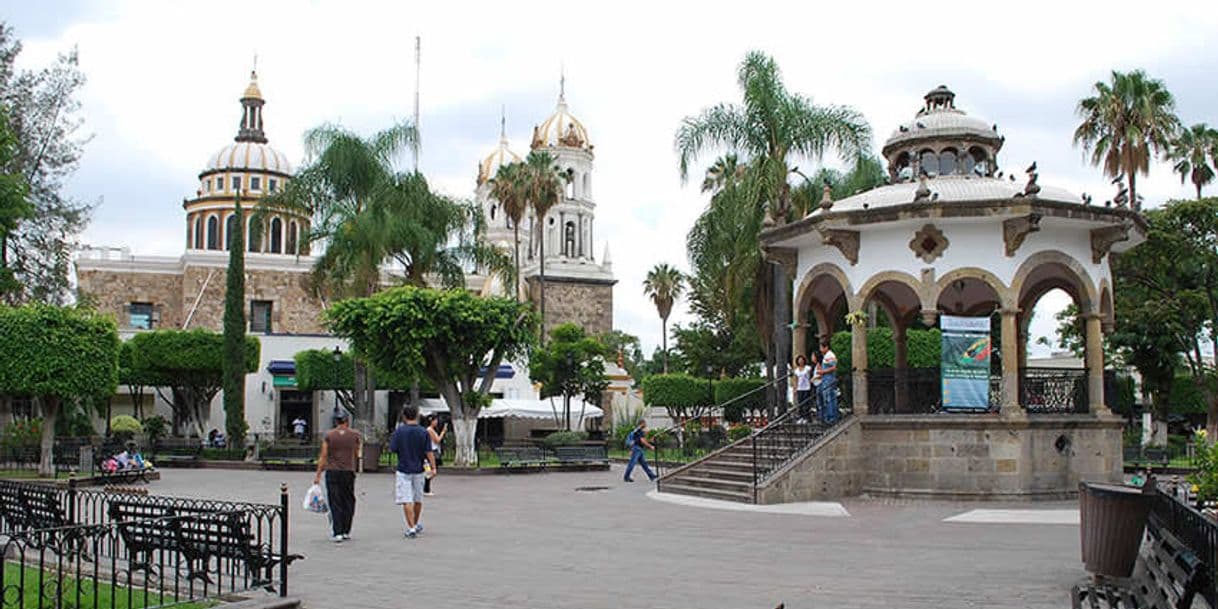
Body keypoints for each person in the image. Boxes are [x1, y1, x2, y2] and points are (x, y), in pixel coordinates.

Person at [388, 404, 436, 538]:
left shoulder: (399, 432)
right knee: (418, 498)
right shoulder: (423, 432)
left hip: (403, 468)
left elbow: (393, 448)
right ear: (417, 415)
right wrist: (433, 467)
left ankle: (411, 527)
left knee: (406, 498)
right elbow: (429, 451)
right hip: (419, 469)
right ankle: (415, 523)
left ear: (404, 416)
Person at [313, 411, 361, 542]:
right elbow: (357, 453)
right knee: (348, 500)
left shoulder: (329, 435)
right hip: (348, 471)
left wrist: (318, 475)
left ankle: (337, 531)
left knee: (335, 501)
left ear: (336, 421)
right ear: (347, 421)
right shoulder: (355, 435)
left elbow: (323, 455)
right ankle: (346, 529)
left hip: (332, 470)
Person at [423, 416, 448, 497]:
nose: (436, 422)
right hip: (432, 452)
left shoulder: (431, 429)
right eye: (435, 420)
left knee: (430, 471)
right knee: (431, 471)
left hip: (434, 451)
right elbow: (437, 440)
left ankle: (426, 487)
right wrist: (443, 432)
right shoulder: (430, 430)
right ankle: (425, 488)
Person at [817, 341, 839, 424]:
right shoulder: (826, 356)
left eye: (821, 347)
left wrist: (823, 371)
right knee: (828, 397)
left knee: (829, 398)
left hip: (829, 378)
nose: (820, 350)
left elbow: (833, 367)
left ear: (826, 347)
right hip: (826, 378)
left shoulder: (830, 355)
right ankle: (829, 416)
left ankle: (832, 417)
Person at [792, 355, 815, 422]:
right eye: (799, 360)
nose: (800, 361)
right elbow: (796, 380)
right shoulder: (796, 371)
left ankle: (807, 417)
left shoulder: (808, 368)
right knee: (800, 403)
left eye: (802, 360)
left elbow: (811, 374)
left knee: (806, 403)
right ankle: (801, 416)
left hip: (807, 387)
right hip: (800, 388)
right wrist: (795, 388)